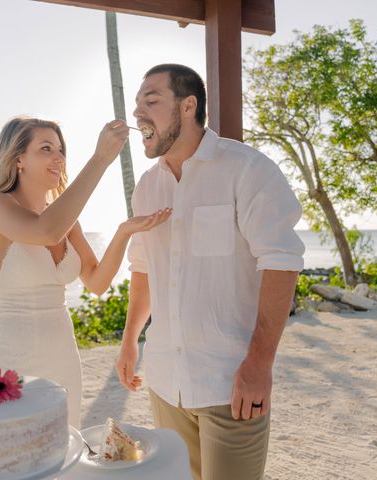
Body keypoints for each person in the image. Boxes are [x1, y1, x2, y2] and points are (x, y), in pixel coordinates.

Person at [115, 64, 305, 480]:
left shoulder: (247, 170)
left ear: (188, 106)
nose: (138, 114)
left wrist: (259, 364)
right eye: (136, 105)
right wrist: (130, 341)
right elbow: (143, 268)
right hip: (165, 382)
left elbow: (281, 261)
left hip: (230, 384)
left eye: (151, 101)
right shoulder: (147, 186)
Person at [0, 116, 170, 428]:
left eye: (60, 149)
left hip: (62, 355)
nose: (59, 158)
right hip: (10, 359)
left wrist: (123, 233)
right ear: (18, 159)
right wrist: (100, 159)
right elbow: (47, 232)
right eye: (46, 148)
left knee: (61, 451)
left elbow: (97, 282)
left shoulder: (66, 219)